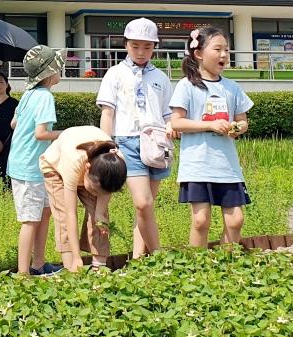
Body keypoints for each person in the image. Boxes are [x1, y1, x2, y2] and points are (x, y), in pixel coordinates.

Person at [168, 26, 253, 247]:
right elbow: (176, 122)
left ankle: (228, 266)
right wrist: (210, 125)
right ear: (198, 54)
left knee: (236, 219)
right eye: (218, 49)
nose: (224, 54)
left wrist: (237, 127)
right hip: (197, 164)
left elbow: (243, 121)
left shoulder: (232, 87)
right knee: (200, 221)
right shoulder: (186, 86)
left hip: (227, 166)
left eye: (226, 49)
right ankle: (197, 270)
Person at [97, 18, 173, 258]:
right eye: (135, 46)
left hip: (157, 144)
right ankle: (159, 256)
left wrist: (171, 128)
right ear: (126, 44)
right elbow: (107, 113)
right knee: (143, 203)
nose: (141, 52)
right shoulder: (115, 73)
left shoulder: (161, 77)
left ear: (154, 47)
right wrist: (106, 145)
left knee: (146, 208)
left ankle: (139, 260)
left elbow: (167, 114)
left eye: (147, 47)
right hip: (127, 142)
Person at [6, 46, 65, 276]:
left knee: (45, 212)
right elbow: (41, 133)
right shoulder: (45, 97)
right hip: (30, 167)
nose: (61, 70)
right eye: (58, 67)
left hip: (27, 163)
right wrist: (67, 133)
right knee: (30, 220)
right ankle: (23, 274)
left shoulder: (29, 93)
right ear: (49, 72)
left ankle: (39, 263)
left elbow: (13, 124)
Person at [40, 124, 128, 272]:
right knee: (63, 219)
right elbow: (70, 214)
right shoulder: (73, 162)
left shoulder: (115, 163)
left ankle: (99, 270)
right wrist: (76, 256)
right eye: (95, 190)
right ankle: (72, 270)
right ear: (87, 169)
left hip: (95, 172)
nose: (95, 193)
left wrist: (99, 214)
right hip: (55, 168)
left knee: (100, 219)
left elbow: (105, 191)